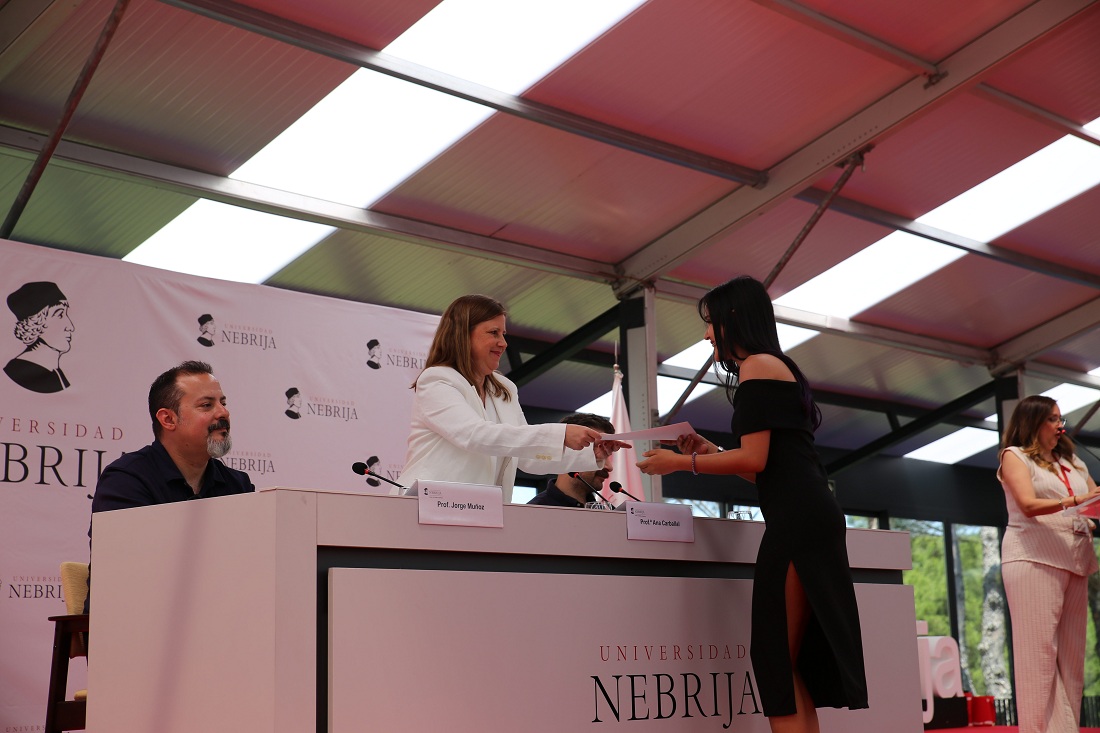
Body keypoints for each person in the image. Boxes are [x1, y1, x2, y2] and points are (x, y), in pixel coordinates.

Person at [635, 275, 867, 732]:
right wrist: (708, 452)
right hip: (808, 512)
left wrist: (680, 463)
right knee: (787, 660)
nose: (707, 335)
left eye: (710, 323)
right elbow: (766, 467)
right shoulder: (774, 366)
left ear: (733, 319)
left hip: (797, 519)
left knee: (775, 658)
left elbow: (755, 459)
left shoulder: (758, 366)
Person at [399, 294, 625, 503]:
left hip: (479, 510)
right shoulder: (437, 379)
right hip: (427, 506)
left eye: (503, 334)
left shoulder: (504, 389)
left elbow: (528, 457)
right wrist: (561, 434)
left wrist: (592, 453)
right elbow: (475, 435)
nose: (503, 343)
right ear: (463, 335)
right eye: (493, 333)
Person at [86, 361, 255, 613]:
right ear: (168, 419)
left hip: (219, 614)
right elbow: (129, 572)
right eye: (207, 405)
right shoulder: (127, 479)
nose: (223, 413)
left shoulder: (237, 484)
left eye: (223, 402)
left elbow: (251, 564)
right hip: (132, 617)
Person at [998, 395, 1100, 733]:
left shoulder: (1072, 462)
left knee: (1072, 659)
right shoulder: (1014, 456)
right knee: (1038, 655)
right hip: (1033, 558)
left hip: (1076, 560)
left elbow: (1092, 498)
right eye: (1053, 419)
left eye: (1061, 419)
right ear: (1033, 422)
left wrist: (1090, 514)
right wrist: (1077, 500)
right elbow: (1027, 505)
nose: (1060, 426)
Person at [528, 413, 615, 507]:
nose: (609, 467)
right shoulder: (534, 512)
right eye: (596, 453)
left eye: (607, 455)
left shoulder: (605, 511)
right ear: (567, 451)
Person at [4, 281, 75, 393]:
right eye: (60, 314)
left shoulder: (54, 371)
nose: (70, 327)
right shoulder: (19, 372)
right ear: (35, 323)